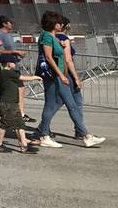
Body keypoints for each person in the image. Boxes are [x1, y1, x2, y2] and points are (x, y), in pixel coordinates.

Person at [35, 12, 103, 148]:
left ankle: (83, 135)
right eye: (59, 22)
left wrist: (60, 45)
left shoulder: (52, 37)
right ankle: (46, 135)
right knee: (60, 105)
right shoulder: (47, 36)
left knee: (61, 105)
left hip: (57, 76)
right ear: (53, 24)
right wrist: (61, 75)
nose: (61, 25)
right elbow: (48, 57)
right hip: (54, 76)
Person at [55, 15, 106, 146]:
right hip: (68, 75)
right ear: (65, 26)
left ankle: (78, 131)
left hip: (62, 74)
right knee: (74, 104)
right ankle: (81, 133)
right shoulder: (64, 39)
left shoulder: (53, 38)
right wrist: (76, 78)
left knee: (59, 103)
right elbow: (68, 60)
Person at [0, 60, 42, 153]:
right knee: (4, 124)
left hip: (12, 102)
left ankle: (24, 145)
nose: (15, 64)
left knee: (20, 123)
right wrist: (35, 77)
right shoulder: (9, 72)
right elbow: (22, 77)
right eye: (13, 62)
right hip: (8, 103)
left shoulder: (1, 74)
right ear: (8, 63)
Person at [0, 16, 34, 123]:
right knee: (13, 89)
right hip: (6, 65)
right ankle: (20, 114)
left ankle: (21, 113)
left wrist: (18, 54)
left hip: (13, 63)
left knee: (19, 88)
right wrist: (15, 53)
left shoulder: (9, 35)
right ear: (4, 24)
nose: (12, 24)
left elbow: (10, 50)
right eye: (10, 22)